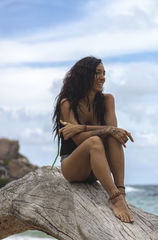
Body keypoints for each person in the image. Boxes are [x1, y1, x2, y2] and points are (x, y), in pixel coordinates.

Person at [53, 56, 134, 223]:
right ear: (84, 75)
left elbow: (114, 132)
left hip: (96, 168)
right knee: (95, 141)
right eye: (97, 73)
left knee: (113, 138)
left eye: (104, 73)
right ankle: (115, 198)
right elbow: (80, 140)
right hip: (73, 167)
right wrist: (89, 130)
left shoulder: (107, 100)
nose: (103, 77)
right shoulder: (67, 103)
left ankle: (121, 192)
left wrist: (81, 127)